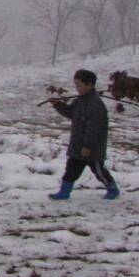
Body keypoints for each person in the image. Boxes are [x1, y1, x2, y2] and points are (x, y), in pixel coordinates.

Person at [45, 69, 120, 201]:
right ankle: (64, 192)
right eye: (76, 85)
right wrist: (57, 104)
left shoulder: (96, 105)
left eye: (80, 85)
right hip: (78, 145)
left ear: (90, 85)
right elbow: (71, 113)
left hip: (92, 148)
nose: (77, 88)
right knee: (71, 169)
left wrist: (88, 146)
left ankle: (113, 189)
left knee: (98, 170)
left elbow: (94, 128)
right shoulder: (80, 101)